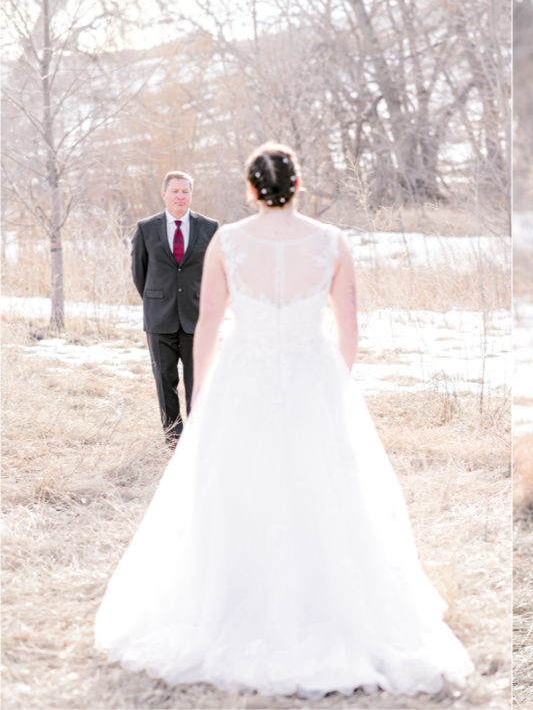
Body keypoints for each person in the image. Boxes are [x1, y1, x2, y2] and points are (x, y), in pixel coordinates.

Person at [96, 143, 473, 698]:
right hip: (311, 377)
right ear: (297, 184)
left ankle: (231, 598)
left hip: (242, 377)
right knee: (322, 485)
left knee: (237, 485)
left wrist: (201, 394)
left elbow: (208, 327)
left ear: (252, 188)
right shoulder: (330, 242)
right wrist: (335, 384)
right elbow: (349, 326)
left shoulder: (228, 240)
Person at [131, 172, 219, 446]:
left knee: (198, 383)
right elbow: (139, 274)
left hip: (197, 318)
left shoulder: (209, 227)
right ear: (164, 194)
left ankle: (195, 439)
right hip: (160, 318)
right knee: (164, 381)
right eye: (175, 191)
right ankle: (173, 440)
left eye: (185, 191)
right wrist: (158, 300)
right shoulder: (146, 228)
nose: (180, 196)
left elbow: (217, 273)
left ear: (191, 195)